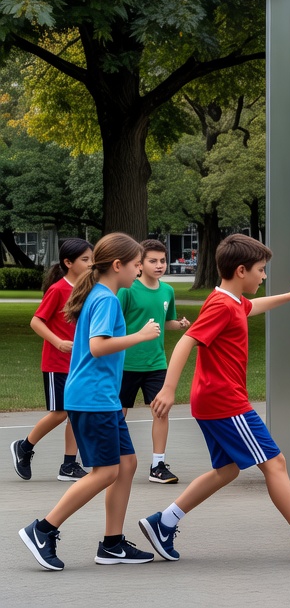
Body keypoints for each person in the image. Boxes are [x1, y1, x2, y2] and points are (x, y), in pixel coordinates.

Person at [138, 234, 290, 563]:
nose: (264, 276)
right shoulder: (222, 305)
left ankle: (163, 523)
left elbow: (252, 307)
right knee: (276, 463)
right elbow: (187, 341)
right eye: (261, 270)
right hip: (225, 401)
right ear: (241, 270)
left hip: (212, 400)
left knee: (226, 470)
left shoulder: (231, 300)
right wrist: (168, 389)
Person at [19, 233, 161, 570]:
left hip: (102, 397)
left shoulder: (102, 293)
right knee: (106, 471)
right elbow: (98, 346)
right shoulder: (106, 299)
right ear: (117, 265)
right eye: (136, 266)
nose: (139, 272)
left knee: (126, 465)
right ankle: (42, 529)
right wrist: (139, 336)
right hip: (92, 397)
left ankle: (112, 544)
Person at [11, 238, 94, 483]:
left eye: (92, 259)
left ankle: (69, 465)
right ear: (68, 263)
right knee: (59, 413)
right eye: (85, 259)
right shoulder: (58, 289)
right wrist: (57, 342)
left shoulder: (87, 289)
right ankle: (24, 447)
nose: (91, 264)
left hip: (79, 363)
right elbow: (36, 321)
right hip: (57, 363)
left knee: (77, 412)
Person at [118, 239, 190, 484]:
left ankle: (158, 465)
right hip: (125, 364)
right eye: (153, 261)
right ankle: (113, 461)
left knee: (161, 410)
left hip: (156, 363)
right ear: (140, 263)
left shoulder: (167, 291)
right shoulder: (127, 289)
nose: (159, 265)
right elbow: (115, 324)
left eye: (162, 260)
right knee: (118, 413)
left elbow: (165, 320)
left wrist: (178, 325)